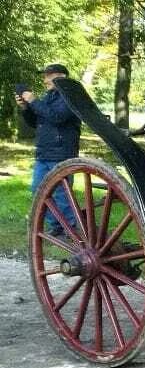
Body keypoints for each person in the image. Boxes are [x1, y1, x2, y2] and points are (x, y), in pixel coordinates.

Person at [17, 63, 81, 237]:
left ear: (60, 76)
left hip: (61, 152)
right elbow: (36, 121)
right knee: (39, 190)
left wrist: (33, 100)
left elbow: (57, 117)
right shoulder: (49, 97)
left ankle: (73, 227)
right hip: (44, 153)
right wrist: (25, 108)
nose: (44, 80)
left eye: (47, 76)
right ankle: (58, 225)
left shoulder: (70, 96)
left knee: (61, 192)